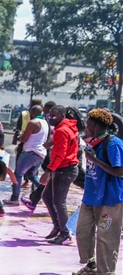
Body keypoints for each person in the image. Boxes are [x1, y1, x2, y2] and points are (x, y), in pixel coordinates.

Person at [73, 109, 123, 275]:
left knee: (106, 236)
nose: (86, 126)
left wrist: (94, 159)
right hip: (91, 197)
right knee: (82, 231)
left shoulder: (113, 144)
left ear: (93, 125)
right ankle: (91, 264)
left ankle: (105, 274)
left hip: (109, 199)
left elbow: (120, 171)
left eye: (87, 124)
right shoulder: (93, 142)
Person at [42, 105, 81, 245]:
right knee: (46, 196)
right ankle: (58, 227)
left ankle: (65, 234)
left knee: (59, 201)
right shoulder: (66, 127)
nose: (51, 118)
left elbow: (60, 154)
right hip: (64, 168)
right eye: (49, 116)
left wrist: (48, 171)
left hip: (65, 169)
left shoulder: (62, 130)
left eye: (54, 116)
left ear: (62, 116)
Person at [7, 105, 48, 206]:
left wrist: (20, 136)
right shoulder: (45, 123)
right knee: (31, 175)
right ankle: (44, 193)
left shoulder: (32, 122)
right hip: (41, 153)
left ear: (32, 112)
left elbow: (24, 139)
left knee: (18, 174)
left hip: (30, 152)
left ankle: (14, 199)